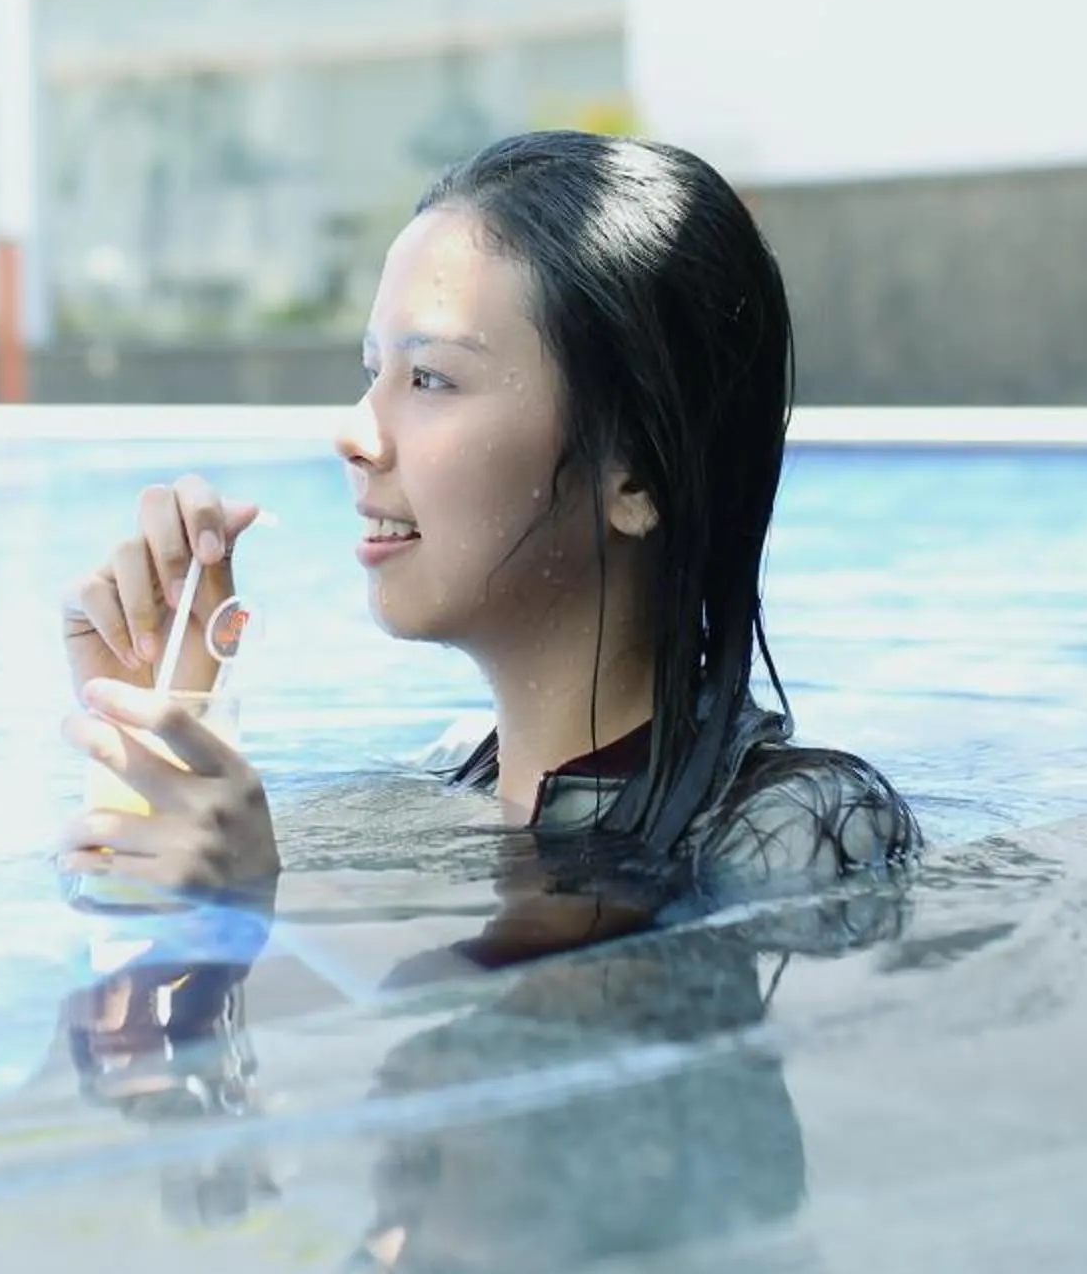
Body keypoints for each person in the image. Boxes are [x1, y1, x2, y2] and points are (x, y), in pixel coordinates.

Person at [55, 129, 915, 917]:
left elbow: (619, 1062)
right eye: (371, 371)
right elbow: (133, 1064)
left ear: (639, 475)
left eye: (429, 378)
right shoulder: (431, 789)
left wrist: (257, 914)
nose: (353, 433)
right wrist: (171, 734)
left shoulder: (801, 830)